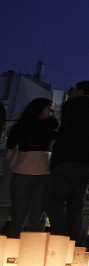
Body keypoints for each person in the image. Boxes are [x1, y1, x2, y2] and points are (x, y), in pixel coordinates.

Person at [45, 81, 89, 243]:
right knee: (76, 205)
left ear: (80, 91)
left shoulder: (71, 108)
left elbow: (64, 134)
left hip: (67, 159)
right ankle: (75, 244)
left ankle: (61, 240)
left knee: (54, 202)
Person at [5, 98, 58, 236]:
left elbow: (10, 148)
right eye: (49, 108)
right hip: (43, 170)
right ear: (40, 109)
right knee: (37, 213)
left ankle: (13, 246)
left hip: (24, 169)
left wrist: (14, 163)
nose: (52, 112)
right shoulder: (52, 128)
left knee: (20, 211)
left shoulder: (20, 126)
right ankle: (34, 248)